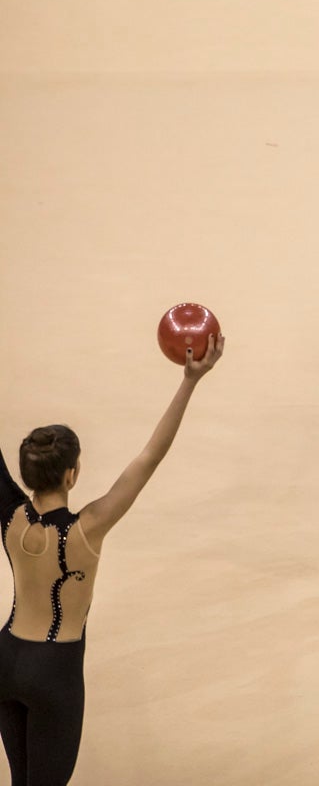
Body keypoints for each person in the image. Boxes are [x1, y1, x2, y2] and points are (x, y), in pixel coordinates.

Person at [0, 336, 223, 785]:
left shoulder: (10, 518)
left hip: (5, 657)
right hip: (55, 671)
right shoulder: (87, 528)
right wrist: (190, 382)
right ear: (71, 474)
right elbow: (150, 456)